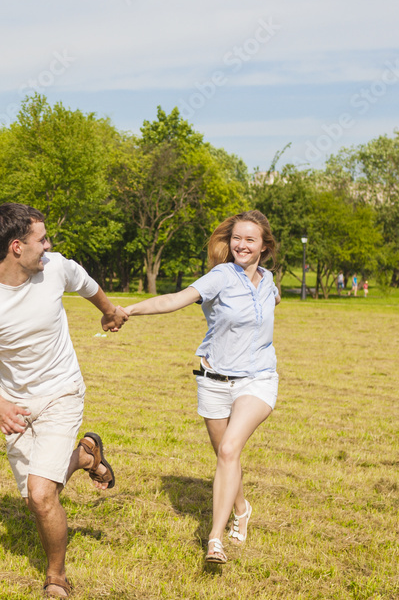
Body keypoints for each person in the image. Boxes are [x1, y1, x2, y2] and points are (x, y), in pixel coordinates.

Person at [0, 203, 128, 598]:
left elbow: (85, 282)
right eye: (42, 239)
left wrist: (109, 311)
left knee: (42, 494)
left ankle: (56, 576)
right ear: (17, 247)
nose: (48, 246)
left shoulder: (55, 268)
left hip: (63, 390)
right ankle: (86, 457)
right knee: (33, 497)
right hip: (15, 404)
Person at [122, 210, 281, 565]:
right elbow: (173, 299)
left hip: (257, 379)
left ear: (264, 246)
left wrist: (270, 302)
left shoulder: (269, 281)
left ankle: (214, 539)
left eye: (250, 239)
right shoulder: (220, 277)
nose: (241, 245)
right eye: (236, 238)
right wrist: (130, 310)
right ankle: (242, 508)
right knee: (226, 455)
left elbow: (271, 298)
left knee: (229, 450)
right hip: (213, 380)